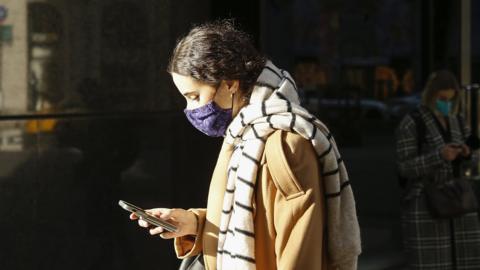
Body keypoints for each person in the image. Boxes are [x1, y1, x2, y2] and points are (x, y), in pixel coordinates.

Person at [127, 20, 361, 270]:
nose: (191, 109)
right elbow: (250, 223)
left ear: (229, 83)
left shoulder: (283, 144)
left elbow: (299, 247)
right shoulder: (246, 135)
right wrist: (193, 223)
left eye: (195, 97)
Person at [396, 70, 480, 269]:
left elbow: (475, 156)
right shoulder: (412, 122)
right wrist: (438, 156)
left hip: (459, 203)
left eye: (451, 99)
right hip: (426, 204)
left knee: (464, 260)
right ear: (431, 95)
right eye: (442, 99)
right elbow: (404, 167)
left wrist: (467, 154)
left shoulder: (457, 120)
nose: (447, 104)